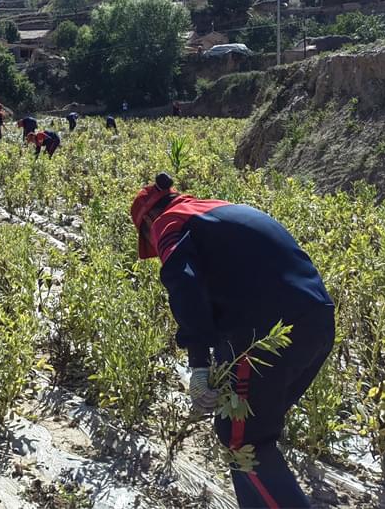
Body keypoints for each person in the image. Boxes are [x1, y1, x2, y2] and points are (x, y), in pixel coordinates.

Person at [130, 173, 335, 508]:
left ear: (149, 220)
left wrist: (198, 364)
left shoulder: (169, 222)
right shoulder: (219, 211)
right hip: (317, 320)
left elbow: (184, 285)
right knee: (249, 429)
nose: (153, 247)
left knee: (244, 441)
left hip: (266, 334)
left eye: (147, 241)